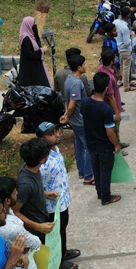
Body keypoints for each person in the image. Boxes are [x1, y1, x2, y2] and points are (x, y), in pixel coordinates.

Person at [36, 123, 81, 267]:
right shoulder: (41, 161)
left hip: (63, 201)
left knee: (63, 228)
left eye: (56, 131)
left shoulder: (55, 149)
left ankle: (64, 251)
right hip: (51, 207)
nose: (57, 135)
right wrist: (44, 193)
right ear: (42, 138)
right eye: (51, 134)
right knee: (54, 234)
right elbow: (34, 186)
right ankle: (59, 262)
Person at [81, 72, 122, 206]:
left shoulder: (85, 102)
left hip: (91, 143)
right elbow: (110, 132)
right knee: (105, 171)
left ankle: (99, 192)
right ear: (106, 88)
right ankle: (106, 197)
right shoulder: (106, 109)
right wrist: (116, 145)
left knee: (97, 170)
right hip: (104, 145)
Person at [0, 177, 42, 269]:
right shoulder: (10, 228)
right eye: (15, 192)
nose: (17, 193)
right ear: (7, 200)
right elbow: (36, 243)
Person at [59, 54, 93, 185]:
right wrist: (67, 115)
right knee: (89, 147)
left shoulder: (69, 79)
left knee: (79, 146)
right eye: (84, 64)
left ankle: (82, 172)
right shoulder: (77, 83)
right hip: (81, 121)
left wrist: (67, 114)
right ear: (79, 68)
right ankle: (89, 175)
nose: (86, 66)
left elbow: (67, 100)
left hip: (74, 121)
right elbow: (72, 103)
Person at [13, 138, 53, 241]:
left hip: (43, 220)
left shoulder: (29, 167)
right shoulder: (25, 184)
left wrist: (44, 193)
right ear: (42, 160)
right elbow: (15, 211)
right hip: (36, 231)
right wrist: (38, 227)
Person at [96, 49, 126, 153]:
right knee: (114, 129)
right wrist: (117, 112)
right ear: (112, 61)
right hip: (111, 108)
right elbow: (111, 96)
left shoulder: (100, 69)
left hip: (108, 106)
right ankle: (116, 147)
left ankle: (118, 143)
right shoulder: (108, 78)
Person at [17, 17, 51, 87]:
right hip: (30, 70)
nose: (34, 26)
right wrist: (42, 50)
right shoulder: (26, 39)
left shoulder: (31, 36)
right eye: (33, 24)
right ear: (28, 25)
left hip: (35, 68)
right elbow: (29, 55)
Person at [113, 7, 135, 92]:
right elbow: (126, 42)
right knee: (126, 68)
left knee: (122, 66)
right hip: (125, 49)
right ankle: (126, 86)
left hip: (119, 48)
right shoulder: (125, 28)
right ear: (128, 15)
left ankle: (122, 81)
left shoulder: (116, 22)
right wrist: (131, 36)